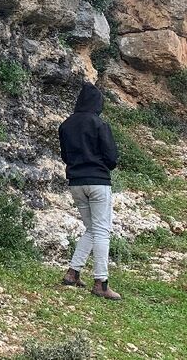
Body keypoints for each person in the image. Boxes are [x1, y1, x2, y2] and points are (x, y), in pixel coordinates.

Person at [59, 83, 121, 300]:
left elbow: (65, 156)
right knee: (102, 231)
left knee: (92, 229)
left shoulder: (65, 125)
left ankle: (73, 273)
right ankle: (101, 283)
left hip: (76, 182)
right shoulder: (99, 124)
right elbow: (112, 158)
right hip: (98, 182)